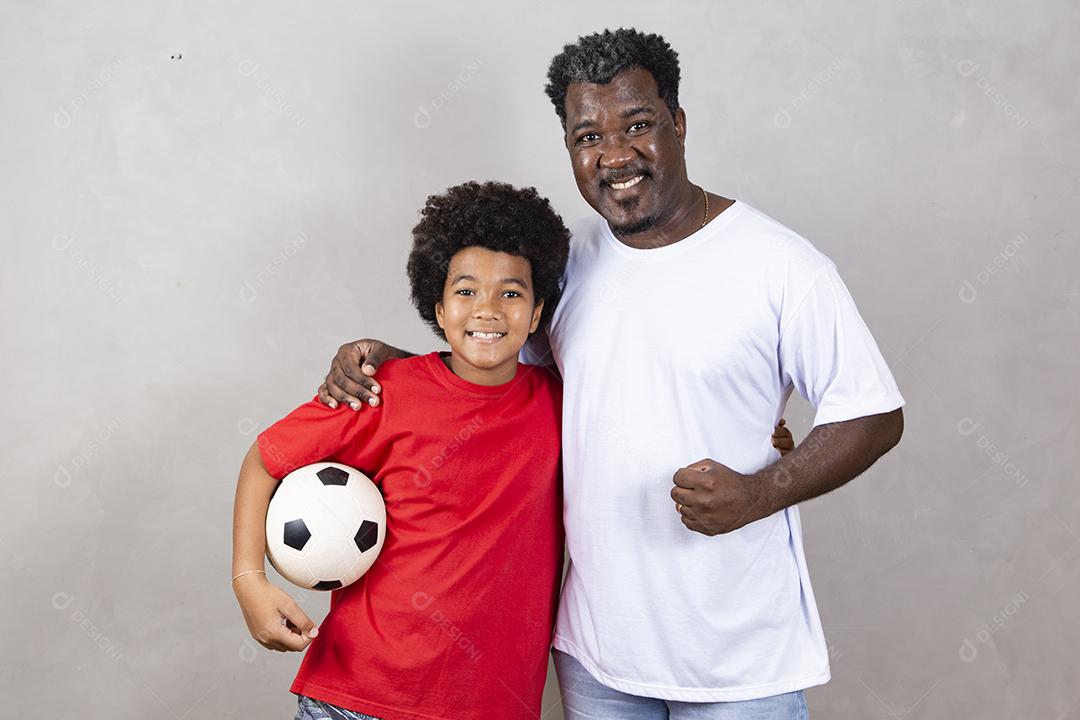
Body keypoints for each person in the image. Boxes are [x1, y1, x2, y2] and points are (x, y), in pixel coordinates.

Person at [319, 28, 905, 720]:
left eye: (638, 125)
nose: (616, 155)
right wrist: (394, 361)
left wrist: (760, 491)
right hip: (598, 656)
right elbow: (502, 380)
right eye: (588, 137)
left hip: (738, 660)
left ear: (678, 124)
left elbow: (873, 412)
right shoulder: (568, 266)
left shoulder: (780, 265)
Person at [231, 181, 571, 720]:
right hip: (360, 697)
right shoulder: (384, 390)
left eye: (511, 293)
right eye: (465, 292)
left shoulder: (559, 404)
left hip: (491, 704)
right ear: (437, 309)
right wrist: (249, 581)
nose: (487, 309)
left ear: (535, 315)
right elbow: (264, 458)